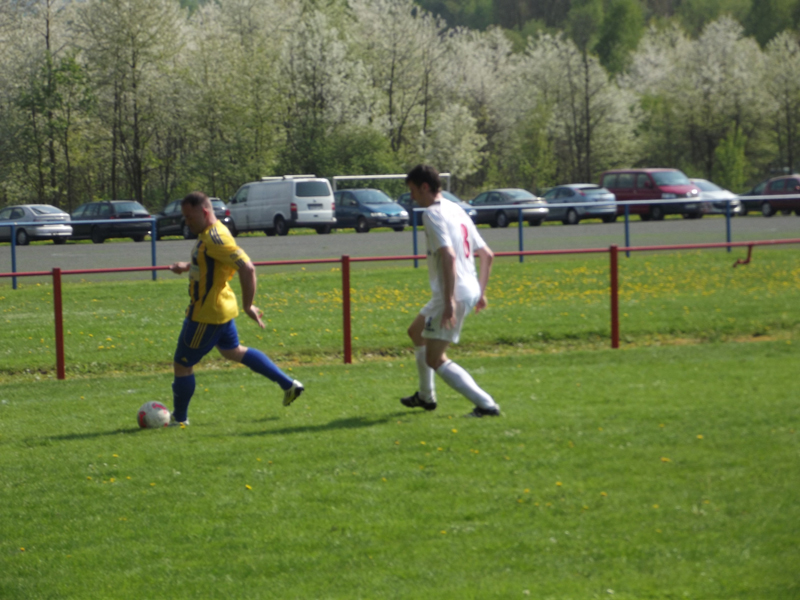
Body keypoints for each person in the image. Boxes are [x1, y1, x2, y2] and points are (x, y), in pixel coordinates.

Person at [168, 191, 303, 425]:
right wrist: (188, 266)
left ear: (204, 212)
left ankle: (179, 419)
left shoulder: (215, 238)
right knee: (233, 351)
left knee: (182, 365)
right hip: (221, 307)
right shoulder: (213, 233)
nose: (186, 222)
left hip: (206, 315)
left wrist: (249, 305)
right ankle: (288, 384)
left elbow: (247, 268)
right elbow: (214, 263)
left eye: (189, 217)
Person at [400, 164, 501, 417]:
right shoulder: (456, 209)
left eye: (413, 190)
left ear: (425, 187)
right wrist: (480, 292)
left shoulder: (432, 214)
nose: (412, 197)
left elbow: (449, 256)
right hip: (465, 290)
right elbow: (487, 255)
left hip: (452, 293)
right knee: (415, 332)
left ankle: (487, 405)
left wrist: (448, 303)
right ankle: (425, 397)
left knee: (435, 359)